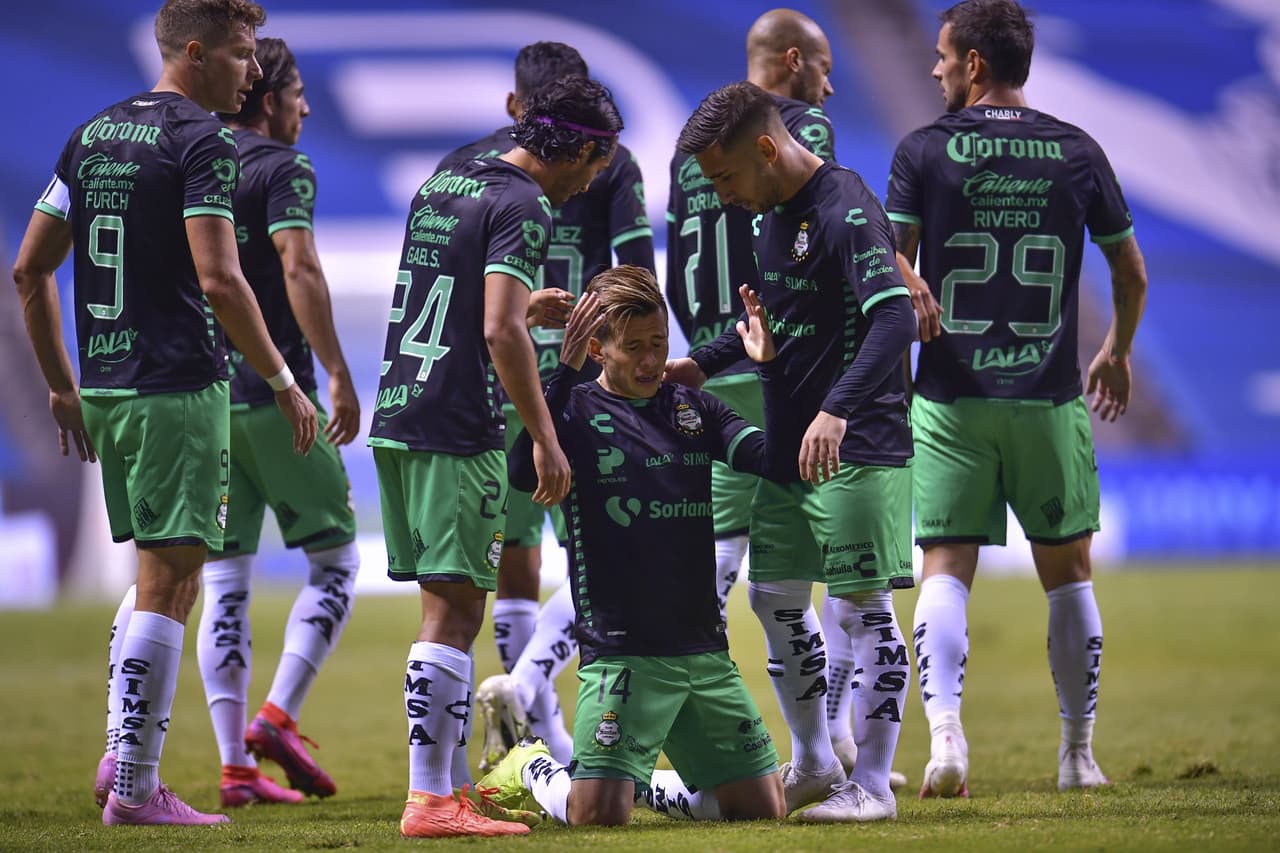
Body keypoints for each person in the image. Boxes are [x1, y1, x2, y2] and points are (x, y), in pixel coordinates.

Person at [12, 0, 317, 827]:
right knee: (172, 575)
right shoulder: (203, 141)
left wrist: (62, 386)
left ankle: (123, 751)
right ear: (195, 52)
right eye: (242, 54)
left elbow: (30, 269)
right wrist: (283, 379)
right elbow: (220, 278)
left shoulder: (91, 135)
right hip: (176, 386)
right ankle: (138, 790)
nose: (255, 71)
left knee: (164, 571)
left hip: (108, 386)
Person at [884, 0, 1147, 796]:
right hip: (1048, 396)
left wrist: (910, 287)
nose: (935, 67)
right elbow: (1131, 273)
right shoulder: (1076, 150)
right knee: (1068, 572)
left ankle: (947, 742)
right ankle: (1077, 757)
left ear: (974, 65)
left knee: (945, 563)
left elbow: (888, 266)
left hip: (949, 396)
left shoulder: (923, 149)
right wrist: (1116, 351)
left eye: (943, 55)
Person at [368, 75, 622, 838]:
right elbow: (500, 331)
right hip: (456, 423)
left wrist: (519, 305)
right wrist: (544, 435)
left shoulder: (447, 179)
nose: (590, 184)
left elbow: (456, 295)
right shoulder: (526, 204)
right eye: (596, 165)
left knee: (441, 606)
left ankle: (447, 787)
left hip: (400, 407)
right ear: (577, 148)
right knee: (454, 612)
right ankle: (430, 801)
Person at [666, 81, 917, 822]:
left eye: (725, 177)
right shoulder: (771, 217)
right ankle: (814, 761)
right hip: (791, 447)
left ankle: (874, 786)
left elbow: (896, 318)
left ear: (766, 148)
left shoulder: (845, 206)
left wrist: (838, 409)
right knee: (772, 596)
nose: (721, 195)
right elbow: (770, 318)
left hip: (856, 444)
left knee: (864, 611)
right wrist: (698, 363)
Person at [481, 266, 786, 826]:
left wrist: (768, 369)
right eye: (635, 347)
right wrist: (565, 369)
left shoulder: (694, 408)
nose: (651, 361)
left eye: (659, 344)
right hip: (622, 652)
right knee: (597, 817)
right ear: (597, 348)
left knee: (763, 811)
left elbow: (775, 460)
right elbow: (523, 471)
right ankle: (529, 762)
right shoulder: (572, 410)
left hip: (702, 649)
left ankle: (631, 783)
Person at [435, 41, 654, 769]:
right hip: (575, 378)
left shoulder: (461, 166)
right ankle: (537, 703)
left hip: (481, 384)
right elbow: (635, 274)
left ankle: (538, 732)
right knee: (611, 549)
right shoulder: (609, 161)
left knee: (508, 563)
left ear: (516, 105)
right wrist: (641, 363)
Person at [194, 36, 361, 808]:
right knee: (335, 563)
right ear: (269, 100)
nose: (307, 110)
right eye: (298, 97)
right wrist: (334, 370)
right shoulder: (283, 167)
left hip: (202, 400)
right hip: (274, 396)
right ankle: (279, 714)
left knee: (224, 578)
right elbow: (298, 264)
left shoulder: (195, 159)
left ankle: (234, 767)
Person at [666, 7, 836, 626]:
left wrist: (703, 349)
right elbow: (818, 239)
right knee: (820, 552)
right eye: (823, 68)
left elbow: (674, 266)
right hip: (775, 360)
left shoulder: (690, 152)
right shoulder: (801, 128)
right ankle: (842, 682)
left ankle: (683, 649)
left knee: (724, 543)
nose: (828, 86)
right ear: (794, 60)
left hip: (711, 365)